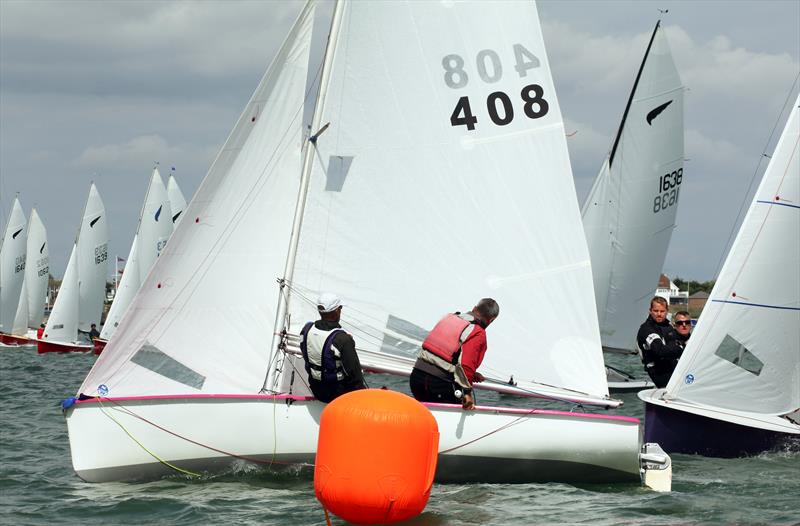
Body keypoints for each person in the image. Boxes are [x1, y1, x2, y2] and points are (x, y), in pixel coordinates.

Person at [410, 298, 499, 410]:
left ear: (474, 308)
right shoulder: (477, 332)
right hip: (438, 384)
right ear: (491, 320)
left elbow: (445, 356)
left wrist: (472, 374)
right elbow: (466, 365)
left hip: (416, 378)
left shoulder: (450, 317)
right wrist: (467, 393)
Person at [299, 292, 367, 403]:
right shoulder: (343, 339)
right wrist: (361, 399)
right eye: (340, 308)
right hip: (337, 395)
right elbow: (355, 375)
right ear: (336, 311)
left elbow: (304, 349)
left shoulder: (307, 329)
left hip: (317, 390)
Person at [636, 297, 684, 388]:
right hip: (657, 370)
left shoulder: (668, 326)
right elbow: (660, 351)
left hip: (672, 366)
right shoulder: (646, 329)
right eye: (656, 311)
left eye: (662, 311)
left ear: (667, 311)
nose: (659, 314)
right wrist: (680, 347)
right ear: (650, 311)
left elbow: (676, 344)